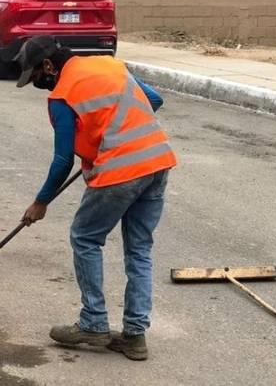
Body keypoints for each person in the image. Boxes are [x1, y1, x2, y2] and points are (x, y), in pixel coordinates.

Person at [16, 36, 177, 361]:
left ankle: (94, 322)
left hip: (120, 172)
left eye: (36, 77)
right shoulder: (109, 65)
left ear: (49, 66)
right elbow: (154, 100)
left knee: (85, 237)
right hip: (158, 163)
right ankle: (134, 336)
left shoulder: (63, 94)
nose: (40, 85)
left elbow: (63, 160)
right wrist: (106, 132)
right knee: (139, 250)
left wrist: (41, 202)